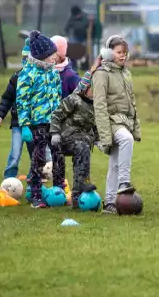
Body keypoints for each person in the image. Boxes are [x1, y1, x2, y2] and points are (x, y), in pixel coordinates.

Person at [92, 35, 141, 214]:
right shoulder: (101, 74)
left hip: (124, 122)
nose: (122, 56)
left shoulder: (126, 73)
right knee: (126, 139)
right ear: (108, 52)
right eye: (119, 52)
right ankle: (124, 182)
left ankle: (110, 202)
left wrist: (135, 127)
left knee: (114, 163)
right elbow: (99, 106)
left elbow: (132, 103)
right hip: (110, 123)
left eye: (124, 53)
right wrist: (104, 136)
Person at [16, 30, 65, 209]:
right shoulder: (27, 74)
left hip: (54, 122)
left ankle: (59, 190)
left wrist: (61, 117)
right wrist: (25, 125)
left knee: (58, 156)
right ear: (43, 56)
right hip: (36, 124)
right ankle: (35, 193)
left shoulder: (53, 73)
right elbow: (22, 102)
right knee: (39, 158)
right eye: (52, 55)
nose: (55, 58)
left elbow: (59, 96)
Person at [0, 39, 51, 180]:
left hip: (35, 124)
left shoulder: (41, 77)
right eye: (24, 58)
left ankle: (36, 176)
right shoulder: (16, 77)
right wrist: (0, 114)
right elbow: (7, 98)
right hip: (18, 124)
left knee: (36, 152)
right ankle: (9, 177)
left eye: (28, 58)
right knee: (15, 152)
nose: (26, 62)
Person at [50, 57, 102, 209]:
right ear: (86, 89)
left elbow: (96, 125)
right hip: (65, 138)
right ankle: (78, 188)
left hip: (83, 141)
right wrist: (55, 134)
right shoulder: (74, 99)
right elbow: (56, 115)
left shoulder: (97, 105)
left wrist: (98, 140)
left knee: (83, 153)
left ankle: (78, 195)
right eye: (93, 88)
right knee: (82, 149)